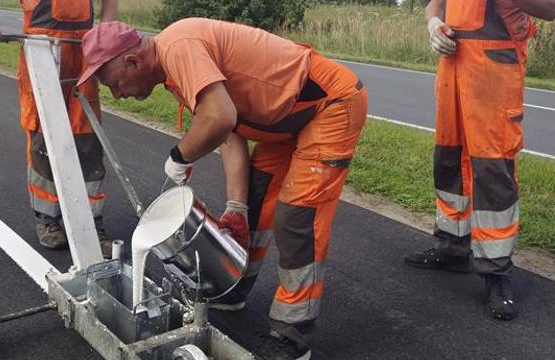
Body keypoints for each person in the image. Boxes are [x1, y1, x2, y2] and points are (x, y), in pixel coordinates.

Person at [77, 19, 368, 360]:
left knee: (297, 216)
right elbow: (230, 135)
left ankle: (293, 333)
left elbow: (218, 117)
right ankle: (234, 286)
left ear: (133, 62)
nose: (118, 95)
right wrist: (237, 208)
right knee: (256, 200)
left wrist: (180, 156)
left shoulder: (178, 46)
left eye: (114, 85)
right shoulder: (174, 69)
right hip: (286, 121)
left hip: (327, 106)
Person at [404, 0, 555, 320]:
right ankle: (452, 250)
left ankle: (496, 272)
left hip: (494, 73)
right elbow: (435, 6)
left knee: (492, 173)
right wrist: (434, 25)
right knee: (449, 163)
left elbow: (551, 8)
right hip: (452, 69)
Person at [0, 0, 119, 253]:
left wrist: (106, 26)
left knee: (87, 139)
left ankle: (91, 222)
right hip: (40, 50)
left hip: (83, 50)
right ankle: (48, 218)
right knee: (44, 139)